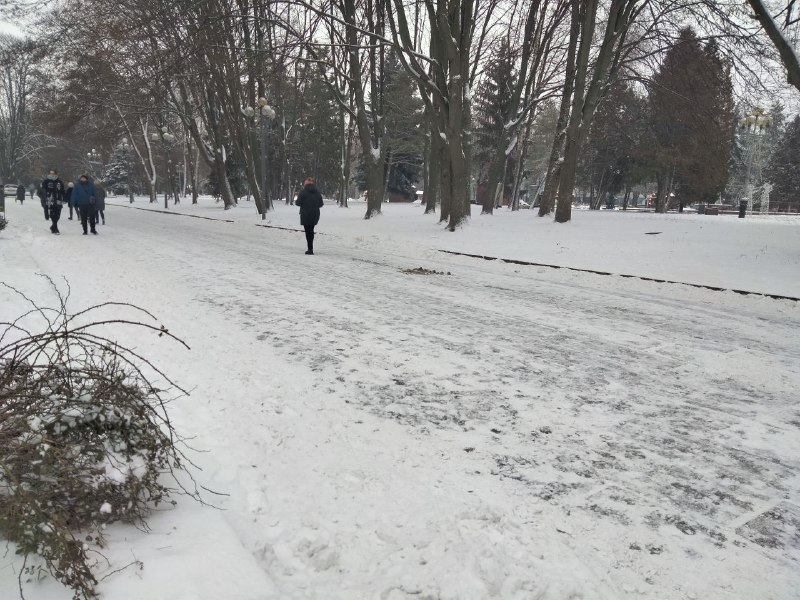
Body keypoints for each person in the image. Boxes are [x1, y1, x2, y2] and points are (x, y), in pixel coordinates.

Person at [294, 177, 323, 255]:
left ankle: (310, 249)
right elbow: (321, 204)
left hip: (305, 214)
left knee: (308, 231)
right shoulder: (317, 192)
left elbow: (298, 203)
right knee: (311, 230)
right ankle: (310, 248)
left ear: (305, 184)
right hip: (315, 214)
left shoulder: (303, 192)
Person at [41, 169, 66, 234]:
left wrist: (65, 198)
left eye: (53, 173)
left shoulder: (59, 182)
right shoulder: (46, 181)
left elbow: (63, 191)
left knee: (58, 215)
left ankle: (52, 227)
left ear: (56, 174)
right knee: (52, 215)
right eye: (51, 173)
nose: (52, 174)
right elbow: (42, 191)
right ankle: (56, 228)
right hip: (50, 200)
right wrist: (44, 198)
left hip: (58, 200)